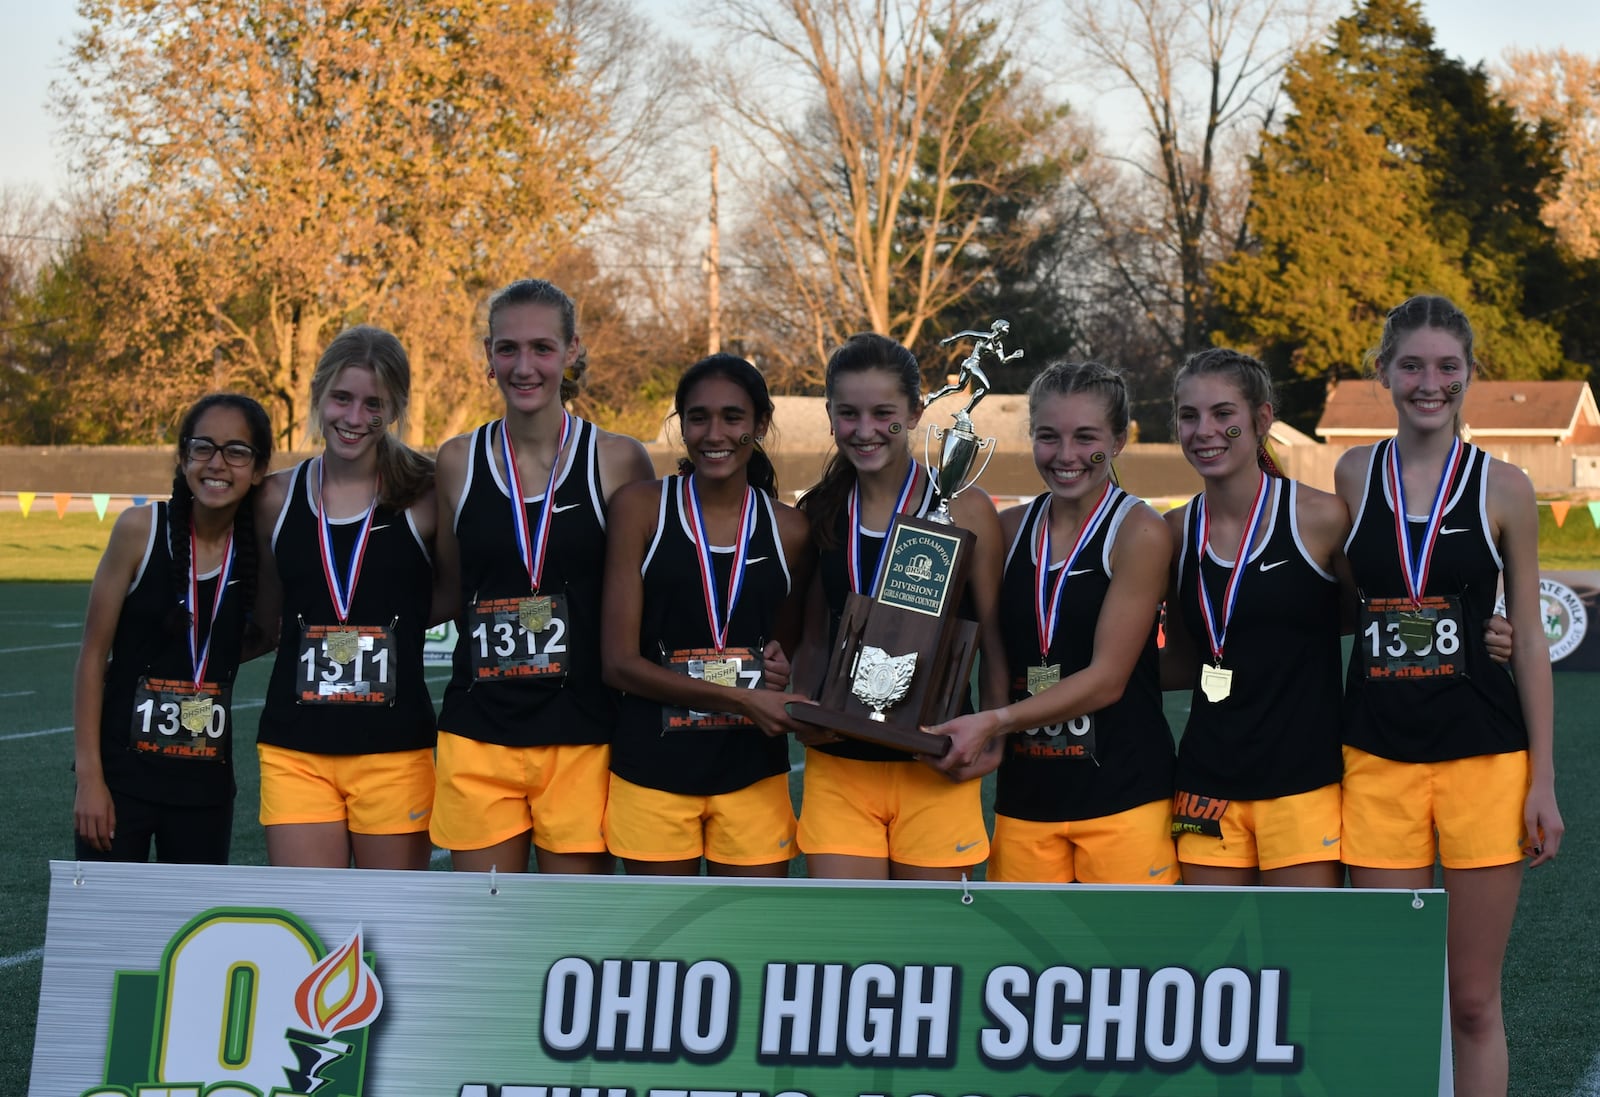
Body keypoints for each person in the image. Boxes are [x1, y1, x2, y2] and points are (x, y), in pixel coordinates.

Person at [1337, 295, 1561, 1097]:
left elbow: (1528, 637)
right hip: (1376, 758)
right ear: (1384, 373)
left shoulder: (1505, 486)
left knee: (1471, 1000)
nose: (1429, 383)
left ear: (1469, 375)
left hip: (1484, 760)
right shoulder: (1353, 472)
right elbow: (1342, 600)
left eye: (1447, 367)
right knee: (1391, 991)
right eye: (1412, 366)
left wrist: (1543, 780)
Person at [431, 279, 653, 874]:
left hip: (583, 731)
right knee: (485, 929)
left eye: (542, 348)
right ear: (488, 355)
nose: (523, 366)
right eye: (507, 349)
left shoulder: (619, 458)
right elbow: (452, 589)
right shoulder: (456, 461)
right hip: (479, 730)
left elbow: (649, 594)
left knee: (572, 938)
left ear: (573, 350)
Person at [930, 361, 1177, 884]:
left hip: (1122, 797)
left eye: (1085, 437)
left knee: (1126, 964)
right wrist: (992, 734)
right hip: (1027, 800)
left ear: (1117, 441)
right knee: (1023, 963)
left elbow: (1108, 680)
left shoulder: (1139, 531)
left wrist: (995, 723)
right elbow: (993, 646)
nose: (1065, 456)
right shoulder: (1008, 529)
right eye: (1048, 437)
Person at [791, 333, 1004, 879]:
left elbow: (997, 636)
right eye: (848, 414)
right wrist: (804, 704)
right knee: (845, 951)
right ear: (831, 416)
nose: (864, 430)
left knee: (929, 951)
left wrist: (993, 731)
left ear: (913, 413)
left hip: (933, 758)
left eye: (883, 412)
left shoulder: (965, 507)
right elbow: (814, 633)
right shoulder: (821, 510)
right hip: (841, 762)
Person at [600, 353, 812, 877]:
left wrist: (785, 669)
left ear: (760, 425)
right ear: (682, 425)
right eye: (698, 417)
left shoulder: (791, 529)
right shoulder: (640, 508)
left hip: (751, 773)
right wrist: (741, 696)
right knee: (660, 953)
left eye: (733, 418)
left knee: (749, 944)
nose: (714, 433)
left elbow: (786, 648)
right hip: (652, 768)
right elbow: (619, 663)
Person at [253, 326, 444, 870]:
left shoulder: (427, 495)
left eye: (373, 404)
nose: (354, 418)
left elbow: (452, 593)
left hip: (395, 750)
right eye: (342, 398)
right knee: (311, 925)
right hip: (296, 749)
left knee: (391, 928)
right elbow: (268, 615)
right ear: (317, 394)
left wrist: (395, 627)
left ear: (396, 409)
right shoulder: (274, 498)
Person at [1162, 349, 1346, 887]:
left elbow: (1372, 613)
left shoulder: (1321, 518)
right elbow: (1175, 658)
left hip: (1303, 784)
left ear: (1262, 419)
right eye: (1188, 416)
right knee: (1212, 969)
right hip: (1204, 784)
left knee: (1302, 963)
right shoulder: (1170, 532)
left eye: (1224, 414)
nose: (1205, 431)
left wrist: (1494, 626)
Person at [72, 393, 272, 864]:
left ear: (259, 469)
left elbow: (266, 632)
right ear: (183, 457)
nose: (217, 463)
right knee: (110, 932)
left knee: (192, 935)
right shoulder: (139, 529)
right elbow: (91, 659)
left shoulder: (262, 554)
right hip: (122, 782)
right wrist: (89, 779)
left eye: (237, 451)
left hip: (205, 789)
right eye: (203, 447)